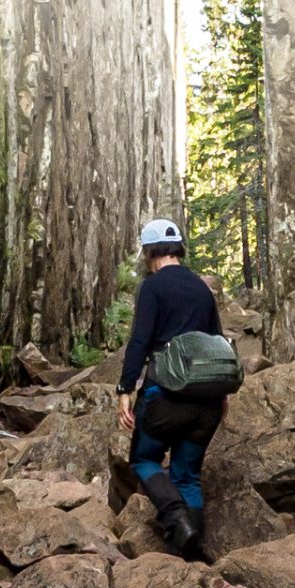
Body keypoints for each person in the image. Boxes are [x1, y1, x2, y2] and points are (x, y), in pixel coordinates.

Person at [117, 217, 225, 558]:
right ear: (179, 248)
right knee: (187, 475)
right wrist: (221, 396)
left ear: (149, 253)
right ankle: (189, 555)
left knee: (144, 459)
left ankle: (176, 517)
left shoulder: (153, 287)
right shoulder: (202, 289)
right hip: (206, 399)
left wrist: (125, 388)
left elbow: (140, 340)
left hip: (165, 393)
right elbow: (217, 343)